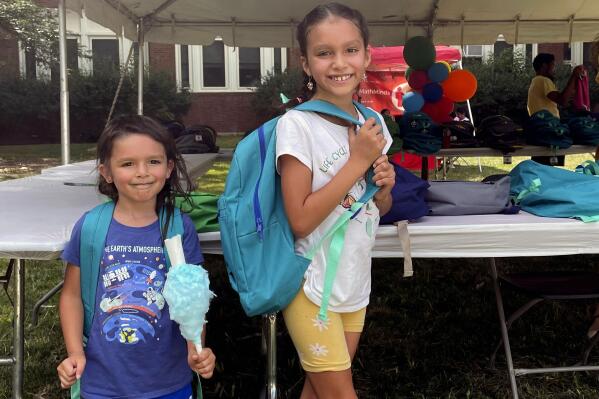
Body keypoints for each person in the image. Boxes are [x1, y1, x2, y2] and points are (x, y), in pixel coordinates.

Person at [276, 3, 395, 398]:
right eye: (324, 52)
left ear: (367, 55)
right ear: (306, 63)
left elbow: (379, 211)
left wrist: (384, 187)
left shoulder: (373, 126)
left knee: (318, 390)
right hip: (310, 285)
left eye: (350, 50)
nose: (339, 62)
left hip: (354, 283)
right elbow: (300, 220)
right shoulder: (297, 125)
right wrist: (357, 162)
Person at [56, 115, 216, 398]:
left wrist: (195, 347)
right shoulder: (91, 227)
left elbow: (193, 299)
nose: (142, 172)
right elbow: (71, 296)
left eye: (153, 161)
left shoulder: (179, 227)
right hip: (102, 381)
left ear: (168, 168)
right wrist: (74, 353)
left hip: (168, 381)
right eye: (128, 163)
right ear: (107, 172)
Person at [527, 53, 586, 166]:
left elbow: (563, 97)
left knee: (541, 168)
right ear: (544, 66)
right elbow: (562, 100)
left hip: (541, 131)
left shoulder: (535, 81)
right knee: (549, 169)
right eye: (553, 65)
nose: (555, 69)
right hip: (549, 132)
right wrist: (573, 76)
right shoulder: (544, 80)